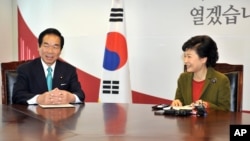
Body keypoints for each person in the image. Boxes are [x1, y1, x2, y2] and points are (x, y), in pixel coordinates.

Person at [12, 28, 85, 105]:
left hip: (61, 115)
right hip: (33, 115)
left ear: (60, 50)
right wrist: (39, 99)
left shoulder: (69, 70)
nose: (50, 51)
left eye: (55, 47)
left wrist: (71, 97)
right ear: (38, 47)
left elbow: (80, 95)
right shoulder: (25, 69)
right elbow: (17, 96)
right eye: (46, 46)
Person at [171, 35, 230, 111]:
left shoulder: (221, 80)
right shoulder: (183, 78)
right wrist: (176, 103)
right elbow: (179, 101)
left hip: (211, 122)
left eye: (189, 57)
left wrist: (207, 105)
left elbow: (225, 111)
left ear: (203, 59)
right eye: (185, 56)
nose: (185, 61)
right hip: (187, 123)